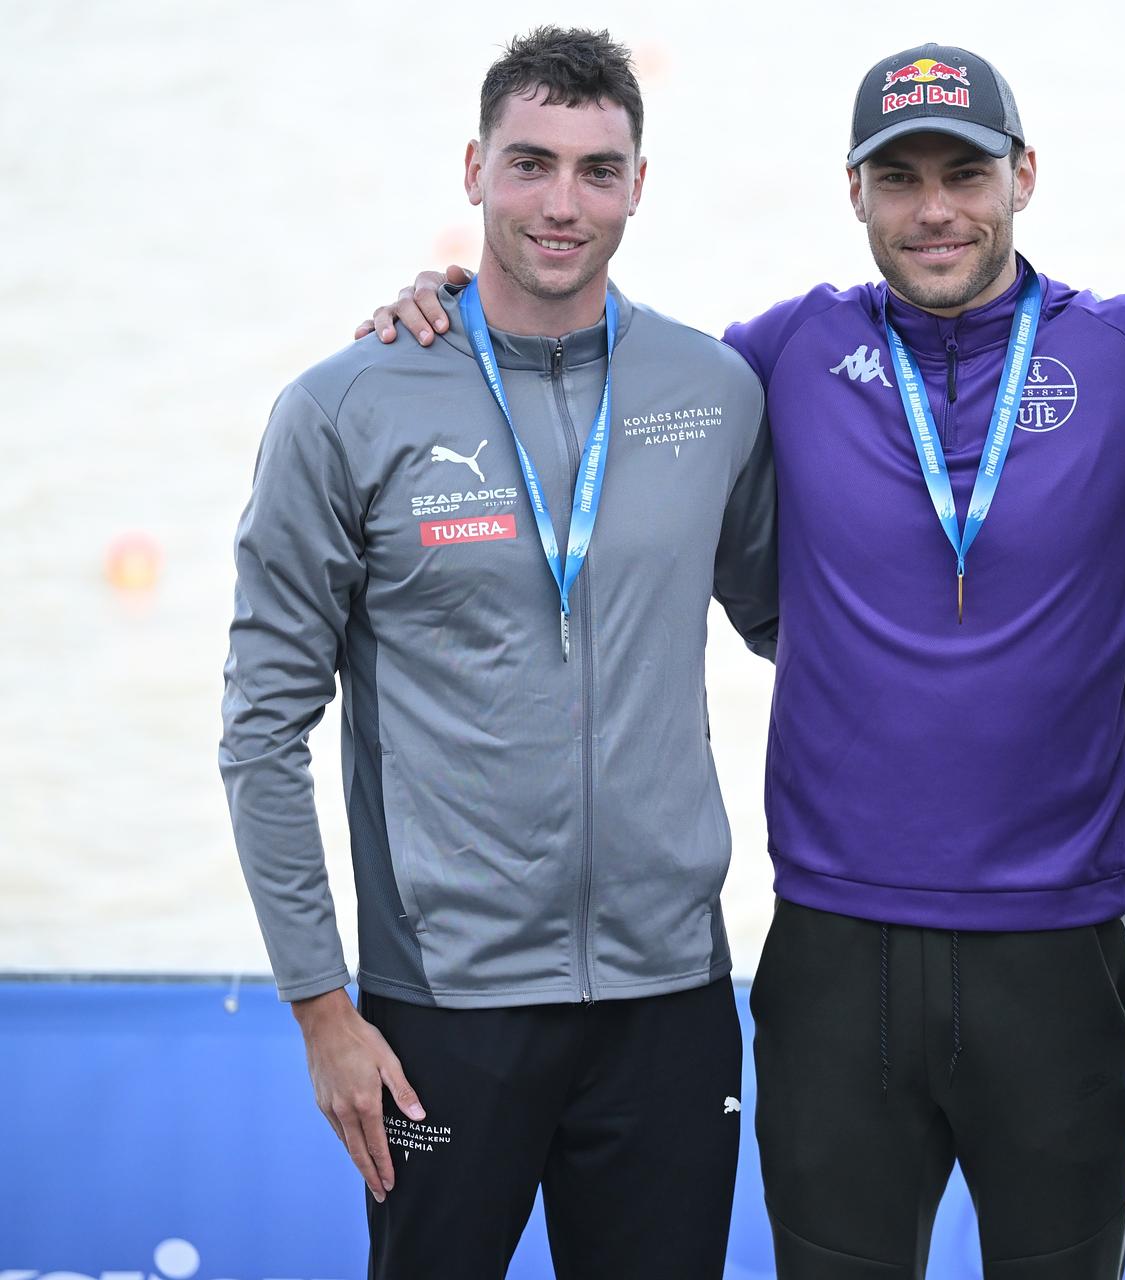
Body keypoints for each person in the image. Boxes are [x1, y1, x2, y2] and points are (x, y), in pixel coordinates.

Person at [360, 43, 1125, 1279]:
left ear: (1023, 177)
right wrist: (447, 310)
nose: (935, 209)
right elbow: (591, 366)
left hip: (1058, 941)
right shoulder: (778, 354)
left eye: (965, 174)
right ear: (855, 191)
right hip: (835, 945)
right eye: (901, 177)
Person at [218, 28, 776, 1280]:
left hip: (671, 997)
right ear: (475, 169)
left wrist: (1078, 614)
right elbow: (260, 728)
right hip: (443, 1005)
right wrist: (322, 1010)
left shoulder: (715, 391)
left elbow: (800, 619)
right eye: (531, 163)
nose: (562, 203)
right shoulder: (347, 404)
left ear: (639, 185)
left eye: (596, 169)